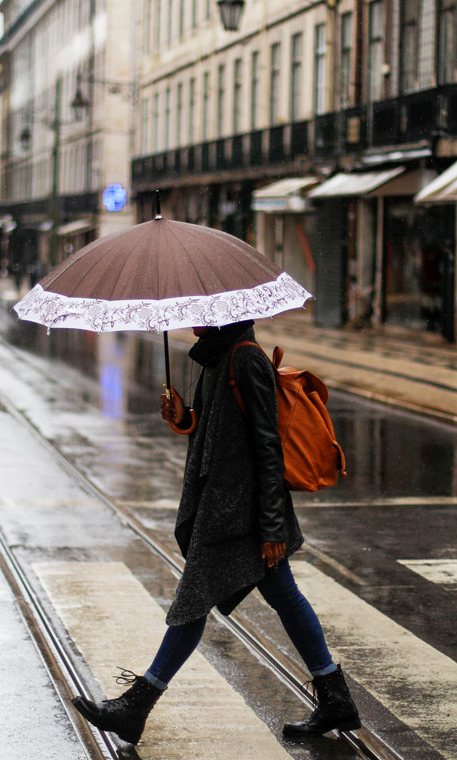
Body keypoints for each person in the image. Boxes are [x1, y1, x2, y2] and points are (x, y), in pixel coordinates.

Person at [71, 319, 360, 746]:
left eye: (197, 312)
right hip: (226, 506)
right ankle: (335, 697)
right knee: (282, 595)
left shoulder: (246, 359)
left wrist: (271, 527)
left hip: (239, 513)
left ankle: (137, 705)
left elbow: (267, 446)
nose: (189, 317)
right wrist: (184, 417)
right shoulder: (217, 358)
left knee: (194, 599)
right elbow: (217, 429)